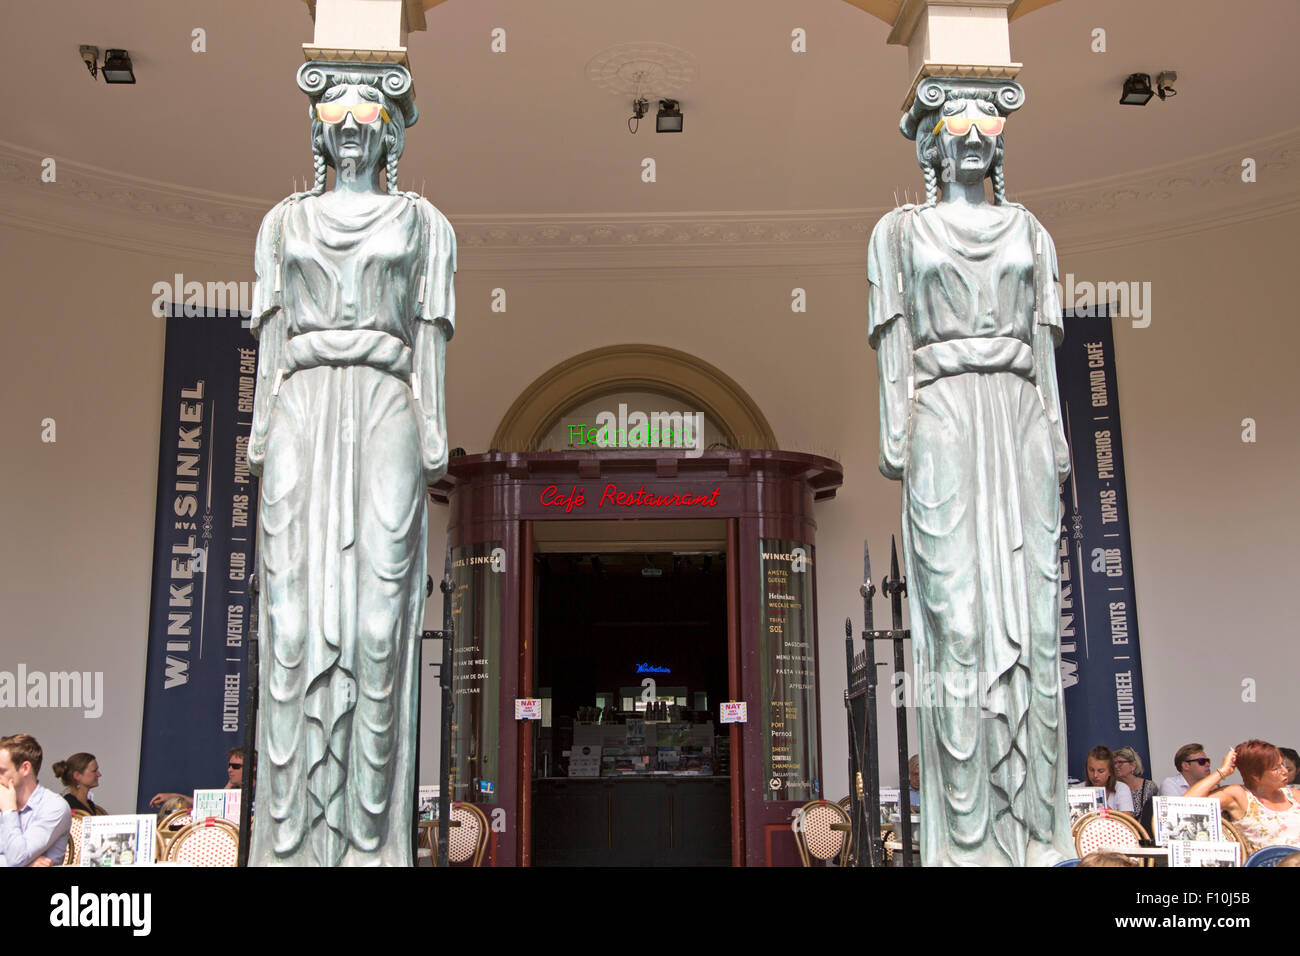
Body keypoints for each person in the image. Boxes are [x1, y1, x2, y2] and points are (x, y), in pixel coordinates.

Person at [246, 60, 455, 867]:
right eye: (335, 111)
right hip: (302, 405)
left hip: (383, 405)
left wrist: (432, 425)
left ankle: (372, 837)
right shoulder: (282, 224)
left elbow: (429, 338)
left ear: (391, 128)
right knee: (293, 624)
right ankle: (291, 840)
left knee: (377, 626)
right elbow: (269, 341)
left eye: (369, 111)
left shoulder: (424, 224)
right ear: (318, 128)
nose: (352, 125)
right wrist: (263, 431)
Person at [868, 76, 1073, 866]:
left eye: (988, 120)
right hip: (945, 415)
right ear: (930, 141)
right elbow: (895, 350)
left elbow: (1047, 353)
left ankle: (1035, 829)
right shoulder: (899, 233)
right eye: (958, 122)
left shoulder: (1032, 230)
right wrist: (901, 432)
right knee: (956, 616)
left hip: (1018, 414)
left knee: (1032, 614)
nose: (976, 133)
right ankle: (965, 837)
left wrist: (1053, 433)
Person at [1186, 740, 1300, 852]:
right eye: (1276, 768)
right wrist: (1223, 771)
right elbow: (1185, 804)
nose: (1285, 771)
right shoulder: (1240, 796)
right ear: (1255, 775)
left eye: (1282, 765)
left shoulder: (1293, 795)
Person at [0, 733, 71, 867]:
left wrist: (9, 811)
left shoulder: (54, 806)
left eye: (1, 771)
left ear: (25, 768)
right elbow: (19, 861)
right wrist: (27, 864)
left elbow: (17, 858)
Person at [149, 747, 247, 810]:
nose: (229, 770)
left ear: (252, 768)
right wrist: (173, 796)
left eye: (236, 766)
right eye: (229, 766)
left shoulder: (259, 793)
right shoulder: (234, 789)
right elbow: (209, 806)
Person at [1113, 746, 1158, 826]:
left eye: (1120, 763)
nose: (1116, 766)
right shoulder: (1112, 787)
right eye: (1114, 763)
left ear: (1133, 765)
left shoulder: (1149, 787)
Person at [1085, 745, 1133, 813]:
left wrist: (1103, 807)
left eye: (1101, 771)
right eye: (1091, 770)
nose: (1095, 775)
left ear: (1110, 771)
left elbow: (1127, 821)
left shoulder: (1121, 788)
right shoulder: (1076, 789)